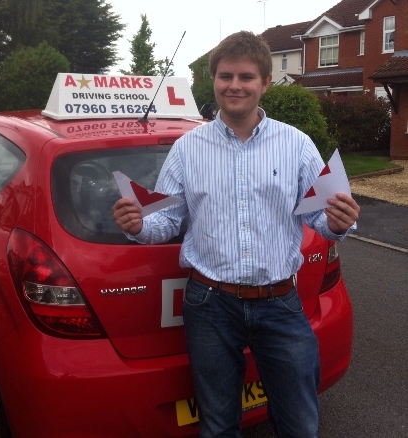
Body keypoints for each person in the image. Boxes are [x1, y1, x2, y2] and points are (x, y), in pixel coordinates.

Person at [113, 31, 360, 438]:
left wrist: (337, 222)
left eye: (246, 77)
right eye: (225, 76)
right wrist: (140, 226)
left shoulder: (296, 145)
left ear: (264, 83)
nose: (235, 85)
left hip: (281, 303)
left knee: (299, 423)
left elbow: (321, 218)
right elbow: (168, 218)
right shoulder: (187, 149)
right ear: (213, 80)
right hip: (210, 304)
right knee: (217, 425)